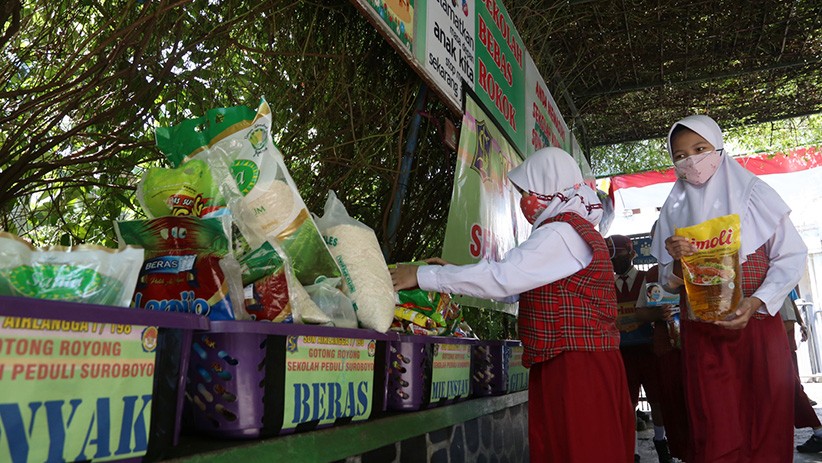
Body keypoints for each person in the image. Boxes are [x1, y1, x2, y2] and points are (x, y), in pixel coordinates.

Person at [391, 147, 635, 462]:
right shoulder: (568, 229)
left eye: (528, 191)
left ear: (550, 185)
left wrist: (425, 275)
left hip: (577, 366)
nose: (524, 201)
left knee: (581, 450)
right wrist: (451, 272)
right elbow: (515, 288)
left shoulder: (563, 232)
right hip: (569, 360)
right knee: (567, 449)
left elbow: (505, 278)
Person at [651, 115, 808, 462]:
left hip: (756, 326)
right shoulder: (672, 211)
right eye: (679, 155)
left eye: (699, 148)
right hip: (703, 335)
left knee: (765, 417)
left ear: (718, 147)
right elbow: (667, 280)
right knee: (715, 425)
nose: (690, 160)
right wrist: (676, 262)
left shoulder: (755, 193)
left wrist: (756, 302)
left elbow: (792, 256)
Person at [606, 234, 672, 463]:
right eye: (610, 256)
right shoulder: (606, 287)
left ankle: (661, 442)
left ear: (631, 254)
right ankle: (631, 451)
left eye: (618, 255)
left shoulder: (647, 279)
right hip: (621, 352)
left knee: (657, 399)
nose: (614, 260)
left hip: (650, 349)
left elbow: (662, 310)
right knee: (626, 402)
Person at [780, 295, 822, 453]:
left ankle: (818, 431)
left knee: (791, 387)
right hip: (776, 345)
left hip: (779, 347)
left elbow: (788, 320)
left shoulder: (773, 277)